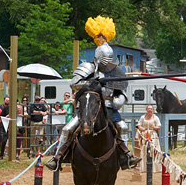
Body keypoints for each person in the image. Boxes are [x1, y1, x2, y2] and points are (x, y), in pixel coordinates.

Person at [45, 15, 141, 172]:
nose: (107, 63)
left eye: (109, 59)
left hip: (109, 108)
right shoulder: (88, 68)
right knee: (68, 129)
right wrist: (92, 84)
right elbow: (74, 83)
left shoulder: (116, 71)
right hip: (88, 107)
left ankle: (126, 157)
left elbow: (122, 93)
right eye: (105, 59)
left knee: (122, 127)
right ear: (98, 57)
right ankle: (57, 157)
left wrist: (116, 102)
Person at [137, 105, 162, 172]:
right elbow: (139, 124)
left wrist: (154, 127)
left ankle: (155, 168)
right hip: (145, 134)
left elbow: (159, 126)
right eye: (148, 109)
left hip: (153, 135)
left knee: (153, 150)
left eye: (151, 109)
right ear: (146, 110)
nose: (150, 110)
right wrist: (141, 128)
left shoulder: (155, 117)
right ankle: (144, 167)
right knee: (144, 149)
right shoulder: (143, 117)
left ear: (153, 110)